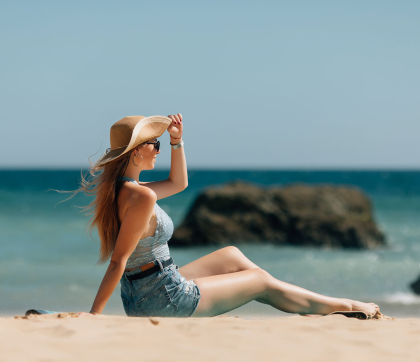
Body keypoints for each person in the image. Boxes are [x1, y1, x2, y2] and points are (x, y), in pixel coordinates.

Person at [70, 113, 381, 318]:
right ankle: (339, 306)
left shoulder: (124, 190)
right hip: (163, 300)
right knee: (259, 281)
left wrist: (178, 141)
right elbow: (118, 260)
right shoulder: (141, 196)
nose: (159, 149)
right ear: (136, 151)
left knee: (233, 255)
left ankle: (306, 302)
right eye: (156, 144)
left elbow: (179, 183)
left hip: (153, 287)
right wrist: (94, 316)